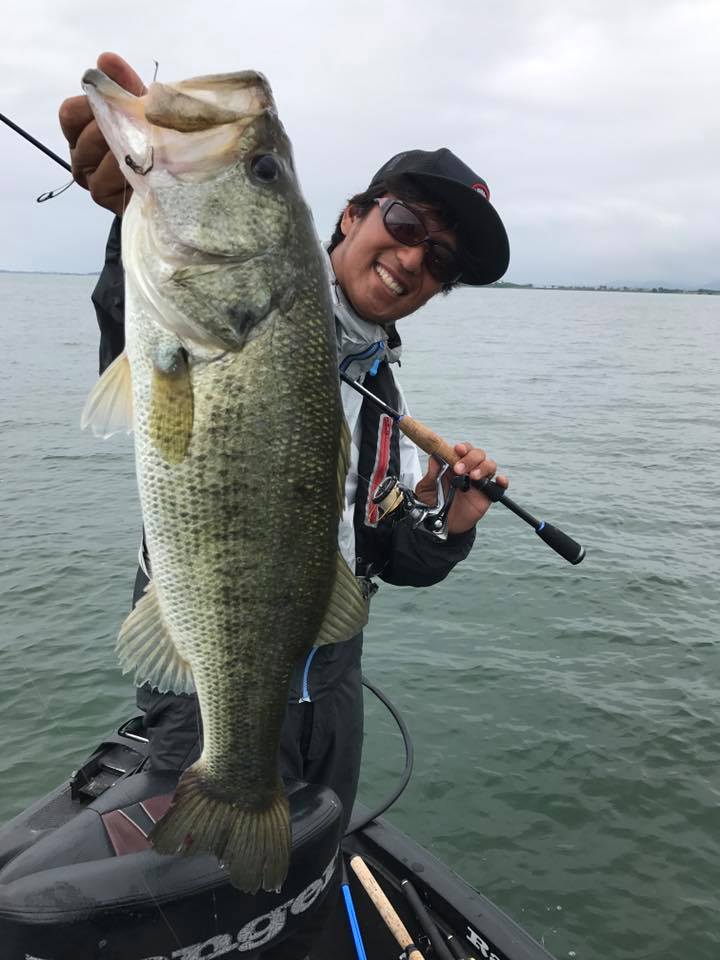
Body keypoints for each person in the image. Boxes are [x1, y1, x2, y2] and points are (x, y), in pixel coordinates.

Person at [60, 51, 510, 956]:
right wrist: (130, 216)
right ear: (349, 215)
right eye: (405, 223)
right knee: (193, 907)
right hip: (207, 669)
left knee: (302, 877)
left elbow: (376, 554)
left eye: (441, 261)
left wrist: (450, 529)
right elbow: (142, 329)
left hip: (329, 682)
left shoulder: (380, 385)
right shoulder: (237, 299)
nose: (414, 258)